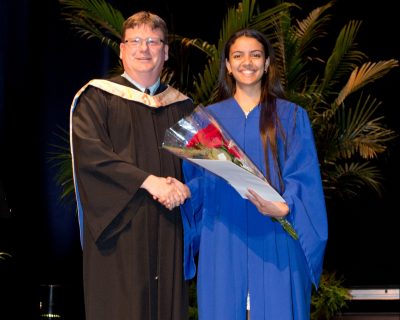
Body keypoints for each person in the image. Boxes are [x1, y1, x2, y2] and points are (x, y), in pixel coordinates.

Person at [179, 29, 328, 319]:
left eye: (255, 55)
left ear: (268, 63)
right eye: (238, 55)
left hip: (275, 232)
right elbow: (198, 181)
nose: (247, 62)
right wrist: (184, 191)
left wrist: (286, 206)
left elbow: (304, 174)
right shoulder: (208, 121)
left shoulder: (292, 116)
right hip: (223, 234)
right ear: (228, 65)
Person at [69, 11, 194, 320]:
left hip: (169, 231)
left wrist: (186, 187)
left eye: (153, 41)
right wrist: (148, 181)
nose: (144, 49)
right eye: (135, 40)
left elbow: (204, 164)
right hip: (120, 232)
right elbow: (92, 156)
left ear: (165, 52)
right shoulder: (97, 98)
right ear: (122, 50)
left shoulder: (182, 106)